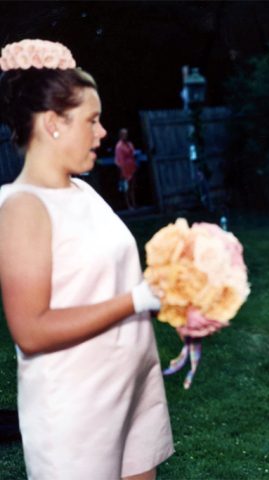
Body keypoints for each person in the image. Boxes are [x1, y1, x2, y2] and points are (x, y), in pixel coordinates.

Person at [0, 39, 173, 479]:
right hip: (76, 410)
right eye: (92, 121)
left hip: (133, 386)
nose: (101, 133)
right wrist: (138, 299)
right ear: (54, 123)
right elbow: (31, 331)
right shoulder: (22, 206)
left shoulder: (84, 191)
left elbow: (106, 282)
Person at [115, 127, 137, 209]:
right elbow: (119, 160)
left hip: (132, 167)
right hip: (124, 169)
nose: (125, 136)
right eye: (123, 134)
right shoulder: (119, 146)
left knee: (132, 187)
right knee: (126, 188)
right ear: (120, 135)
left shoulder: (129, 144)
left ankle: (134, 203)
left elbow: (133, 154)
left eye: (126, 134)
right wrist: (121, 171)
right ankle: (128, 205)